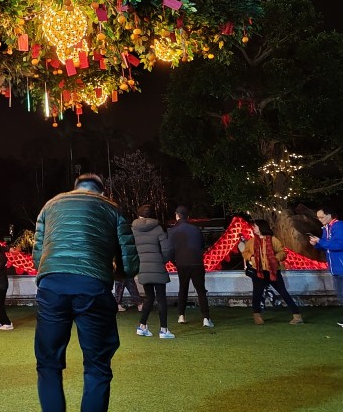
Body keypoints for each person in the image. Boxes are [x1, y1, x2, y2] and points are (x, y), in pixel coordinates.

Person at [33, 173, 139, 412]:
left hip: (52, 286)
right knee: (97, 366)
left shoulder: (50, 206)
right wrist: (115, 271)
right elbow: (130, 265)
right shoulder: (112, 208)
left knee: (48, 364)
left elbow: (38, 257)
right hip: (92, 286)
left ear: (76, 188)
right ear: (101, 191)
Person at [239, 219, 303, 325]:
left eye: (255, 226)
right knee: (257, 294)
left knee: (283, 292)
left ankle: (297, 315)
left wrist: (275, 258)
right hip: (258, 271)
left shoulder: (273, 240)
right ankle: (257, 316)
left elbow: (282, 252)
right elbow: (245, 252)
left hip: (273, 271)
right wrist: (251, 257)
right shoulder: (251, 241)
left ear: (261, 227)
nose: (253, 228)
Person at [309, 206, 343, 328]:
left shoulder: (339, 226)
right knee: (342, 293)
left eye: (322, 217)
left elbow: (340, 244)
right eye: (318, 218)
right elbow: (326, 245)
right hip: (336, 266)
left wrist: (320, 242)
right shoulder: (327, 228)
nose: (320, 219)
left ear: (330, 215)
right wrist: (316, 244)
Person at [131, 204, 174, 339]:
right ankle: (164, 330)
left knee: (149, 297)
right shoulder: (158, 229)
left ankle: (142, 326)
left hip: (143, 268)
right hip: (158, 268)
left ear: (139, 215)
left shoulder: (133, 229)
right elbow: (166, 250)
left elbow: (131, 250)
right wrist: (162, 261)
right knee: (161, 299)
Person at [167, 206, 214, 327]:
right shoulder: (195, 229)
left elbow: (170, 250)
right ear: (187, 217)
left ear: (177, 215)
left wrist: (175, 262)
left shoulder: (172, 231)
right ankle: (206, 318)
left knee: (183, 289)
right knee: (201, 290)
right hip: (196, 262)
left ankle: (181, 315)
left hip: (182, 263)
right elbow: (202, 245)